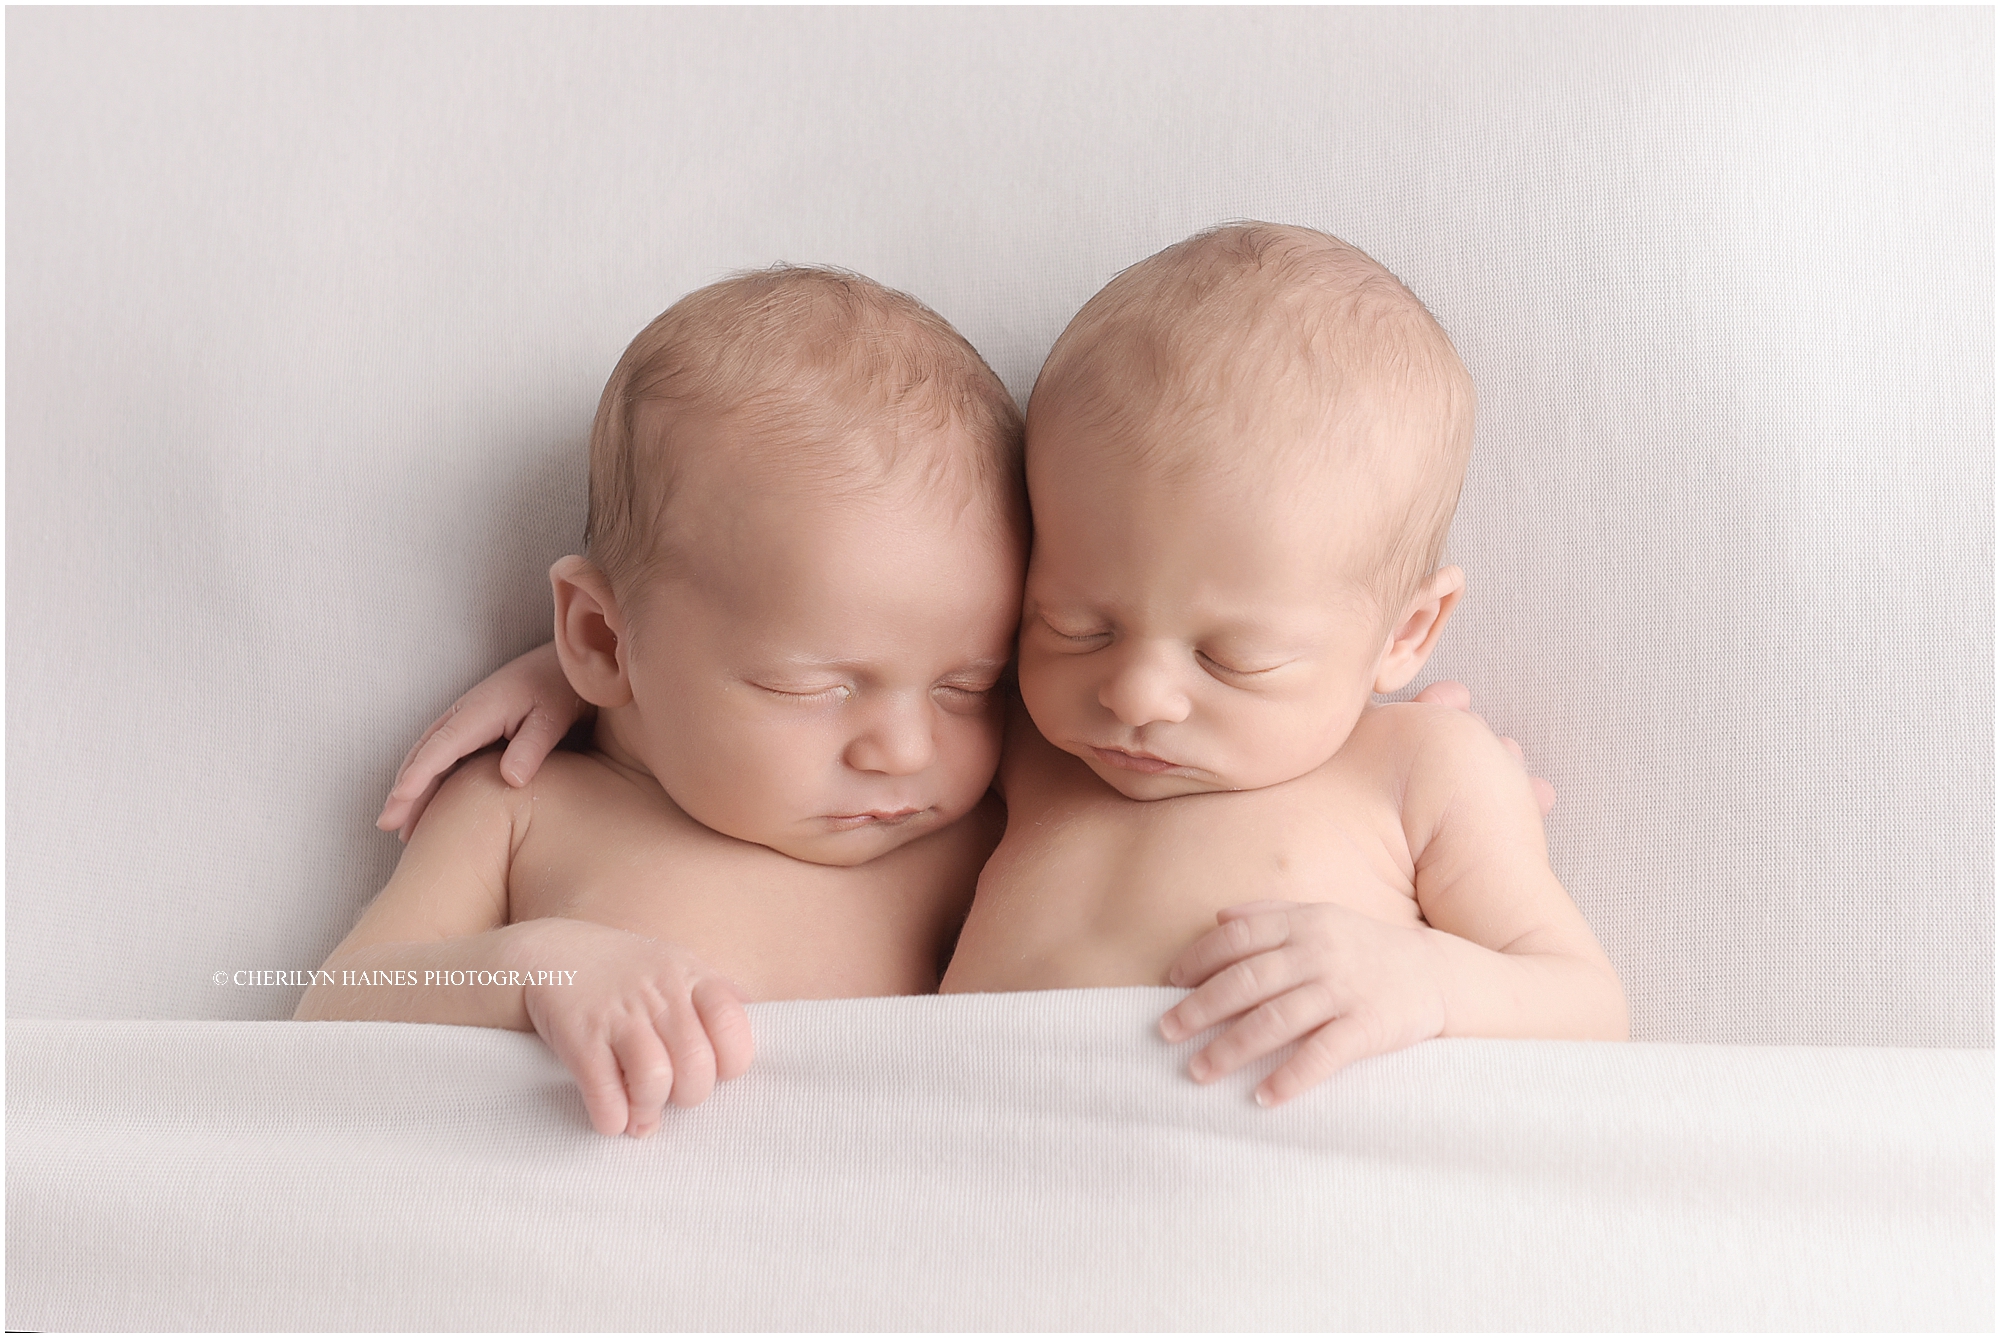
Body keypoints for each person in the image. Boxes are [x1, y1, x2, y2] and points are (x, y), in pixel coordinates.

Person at [298, 265, 1028, 1139]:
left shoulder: (974, 832)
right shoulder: (521, 804)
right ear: (602, 640)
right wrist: (532, 968)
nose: (906, 750)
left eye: (971, 687)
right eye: (811, 686)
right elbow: (336, 1011)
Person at [936, 223, 1625, 1106]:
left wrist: (1428, 979)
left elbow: (1588, 1004)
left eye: (1233, 658)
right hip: (983, 1159)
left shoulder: (1418, 767)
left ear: (1407, 634)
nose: (1136, 694)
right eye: (1074, 626)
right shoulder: (1021, 748)